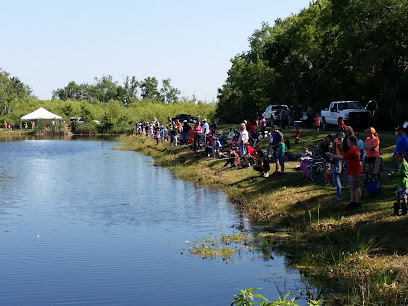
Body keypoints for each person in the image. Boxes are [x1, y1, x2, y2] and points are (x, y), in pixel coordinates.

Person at [327, 135, 362, 210]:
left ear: (352, 142)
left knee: (356, 187)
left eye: (348, 142)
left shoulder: (352, 151)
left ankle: (358, 202)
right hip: (352, 171)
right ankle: (353, 201)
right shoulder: (356, 150)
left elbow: (341, 157)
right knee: (352, 187)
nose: (347, 143)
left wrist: (331, 155)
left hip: (355, 171)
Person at [389, 152, 408, 216]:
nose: (397, 158)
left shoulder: (404, 164)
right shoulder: (400, 164)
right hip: (399, 183)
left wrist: (395, 174)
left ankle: (404, 211)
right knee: (397, 198)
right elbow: (398, 174)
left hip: (403, 183)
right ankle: (396, 212)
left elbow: (403, 174)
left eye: (399, 157)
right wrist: (392, 175)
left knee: (403, 198)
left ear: (402, 157)